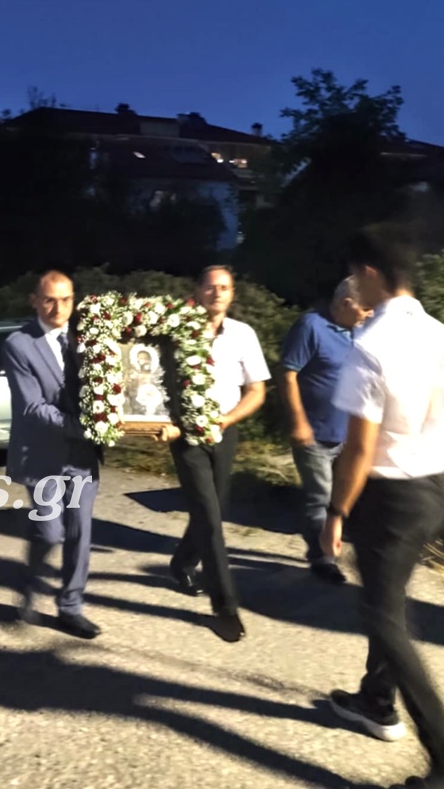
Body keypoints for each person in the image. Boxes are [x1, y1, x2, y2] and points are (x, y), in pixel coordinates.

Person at [320, 229, 444, 789]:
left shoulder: (371, 347)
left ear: (369, 273)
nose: (353, 285)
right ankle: (375, 699)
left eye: (355, 275)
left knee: (384, 616)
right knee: (389, 599)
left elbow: (358, 449)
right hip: (439, 487)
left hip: (391, 498)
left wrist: (336, 512)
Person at [159, 265, 271, 643]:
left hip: (224, 429)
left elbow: (256, 391)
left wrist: (226, 420)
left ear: (232, 294)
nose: (217, 293)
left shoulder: (243, 334)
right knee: (209, 515)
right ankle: (225, 608)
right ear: (197, 290)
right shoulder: (174, 332)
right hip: (185, 434)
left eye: (224, 287)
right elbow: (152, 381)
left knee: (215, 509)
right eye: (210, 287)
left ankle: (182, 562)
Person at [3, 270, 102, 639]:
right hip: (42, 455)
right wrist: (86, 426)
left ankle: (70, 607)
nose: (58, 308)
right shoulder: (19, 344)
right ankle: (29, 580)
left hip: (81, 457)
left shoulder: (90, 337)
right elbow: (32, 407)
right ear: (35, 301)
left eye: (65, 299)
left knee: (79, 533)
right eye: (49, 300)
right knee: (49, 532)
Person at [279, 276, 372, 584]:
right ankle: (323, 559)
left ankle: (339, 546)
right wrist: (298, 422)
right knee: (320, 497)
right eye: (365, 307)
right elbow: (288, 375)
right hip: (315, 432)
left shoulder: (360, 330)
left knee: (346, 496)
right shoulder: (311, 326)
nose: (370, 313)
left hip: (351, 433)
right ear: (346, 303)